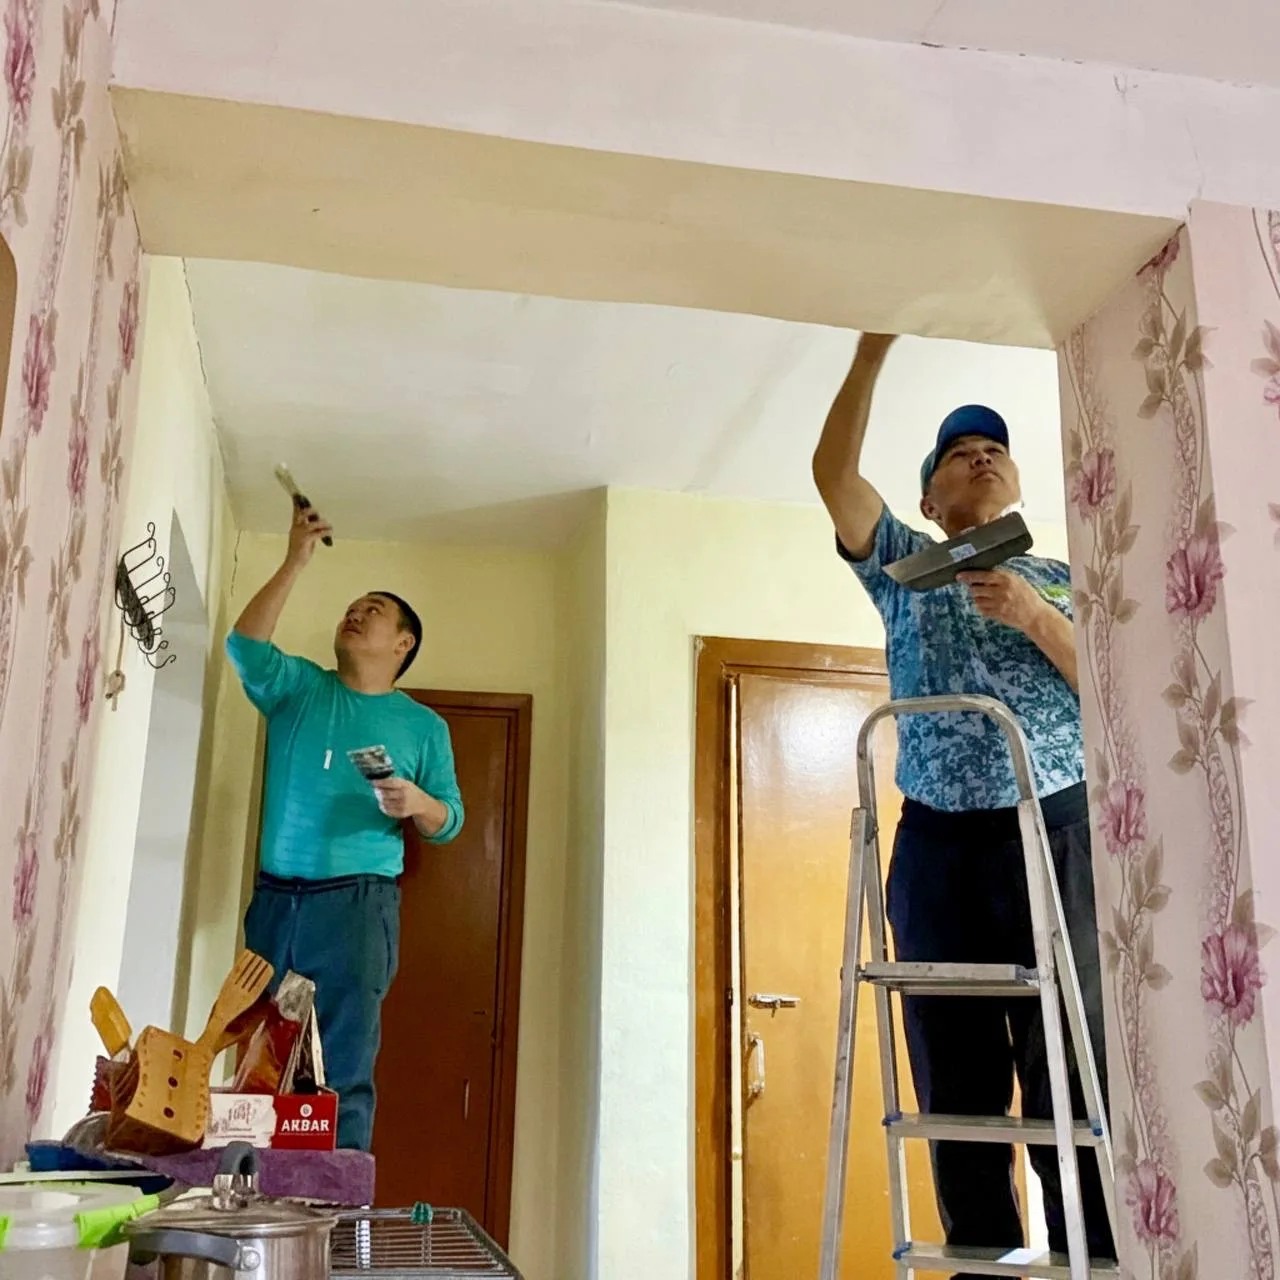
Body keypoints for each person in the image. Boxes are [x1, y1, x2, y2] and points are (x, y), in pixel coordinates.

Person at [812, 332, 1114, 1272]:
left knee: (1072, 1059)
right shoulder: (904, 564)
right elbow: (833, 476)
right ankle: (983, 1261)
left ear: (1014, 484)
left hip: (1056, 827)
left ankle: (1098, 1258)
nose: (979, 457)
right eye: (956, 454)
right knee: (955, 1069)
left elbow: (1115, 701)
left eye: (993, 449)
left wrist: (1034, 614)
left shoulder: (1070, 579)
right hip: (937, 842)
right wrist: (871, 349)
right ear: (930, 502)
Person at [226, 498, 464, 1151]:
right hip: (275, 900)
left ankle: (335, 1198)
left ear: (403, 643)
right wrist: (294, 560)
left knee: (341, 1067)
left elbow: (450, 819)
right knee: (260, 1056)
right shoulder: (300, 687)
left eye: (373, 610)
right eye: (351, 607)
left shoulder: (424, 726)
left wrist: (417, 803)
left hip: (356, 907)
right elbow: (244, 646)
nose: (355, 613)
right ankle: (251, 1192)